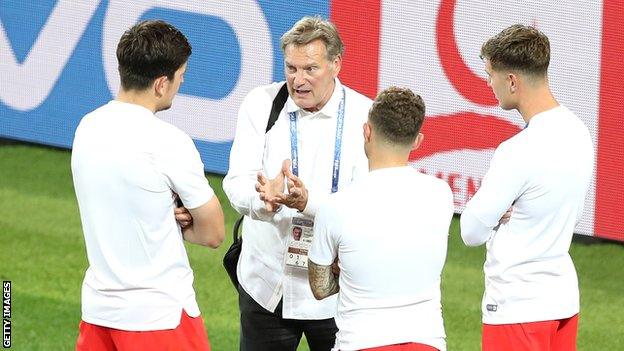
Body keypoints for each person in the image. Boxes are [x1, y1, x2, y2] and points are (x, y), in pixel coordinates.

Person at [71, 20, 225, 350]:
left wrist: (161, 213)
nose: (179, 85)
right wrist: (180, 223)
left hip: (99, 315)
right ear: (160, 84)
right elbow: (213, 234)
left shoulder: (86, 128)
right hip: (159, 320)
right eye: (180, 78)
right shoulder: (169, 142)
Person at [222, 16, 373, 351]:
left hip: (334, 293)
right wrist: (263, 200)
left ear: (336, 64)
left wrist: (310, 202)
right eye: (291, 68)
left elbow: (367, 207)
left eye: (310, 69)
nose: (298, 80)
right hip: (266, 286)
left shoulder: (365, 116)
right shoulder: (260, 104)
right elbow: (236, 182)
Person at [460, 24, 594, 351]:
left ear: (512, 81)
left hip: (517, 308)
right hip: (562, 301)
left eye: (491, 74)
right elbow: (570, 216)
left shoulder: (517, 150)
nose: (489, 84)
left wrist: (497, 214)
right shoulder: (581, 132)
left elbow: (471, 231)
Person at [308, 87, 454, 351]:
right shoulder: (441, 195)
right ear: (417, 141)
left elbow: (320, 287)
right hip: (427, 342)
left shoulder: (336, 206)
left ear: (367, 132)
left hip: (361, 342)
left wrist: (347, 270)